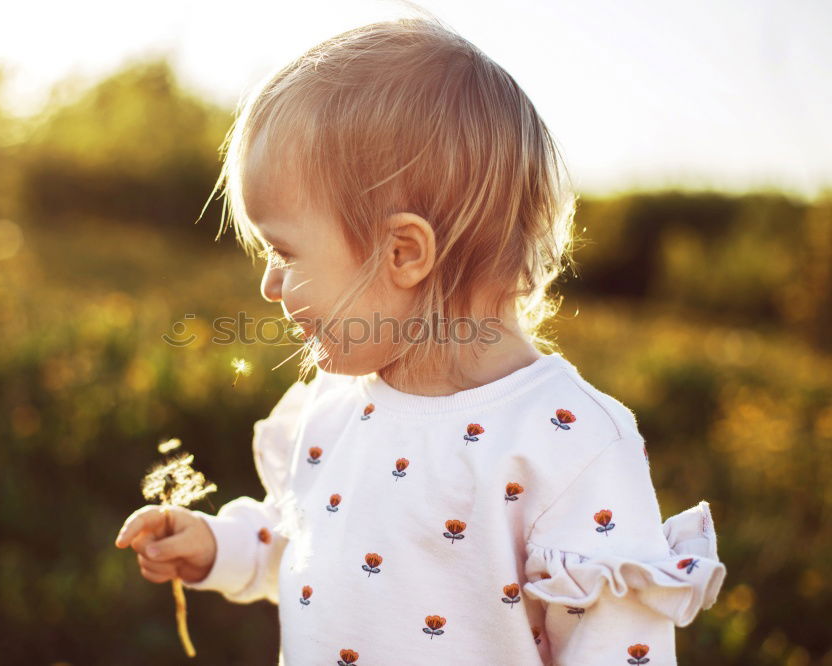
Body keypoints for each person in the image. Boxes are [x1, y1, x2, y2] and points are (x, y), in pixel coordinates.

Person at [115, 12, 727, 665]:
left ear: (403, 252)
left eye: (285, 252)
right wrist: (219, 547)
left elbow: (613, 646)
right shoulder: (333, 407)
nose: (268, 283)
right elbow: (307, 543)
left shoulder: (566, 444)